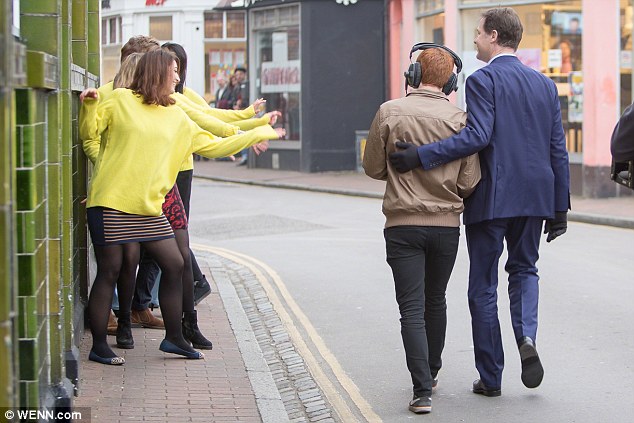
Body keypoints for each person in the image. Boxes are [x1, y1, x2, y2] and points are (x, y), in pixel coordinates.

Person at [388, 7, 570, 396]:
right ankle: (527, 337)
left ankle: (491, 378)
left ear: (492, 36)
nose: (473, 40)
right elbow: (558, 149)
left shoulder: (483, 79)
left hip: (493, 197)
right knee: (525, 271)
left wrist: (420, 156)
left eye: (477, 33)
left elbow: (477, 137)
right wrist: (560, 207)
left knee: (483, 286)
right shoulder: (544, 85)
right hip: (536, 197)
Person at [79, 49, 283, 365]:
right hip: (111, 203)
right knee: (110, 270)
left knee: (175, 262)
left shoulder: (176, 115)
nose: (178, 76)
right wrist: (90, 106)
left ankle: (174, 338)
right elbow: (89, 133)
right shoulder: (120, 100)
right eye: (173, 70)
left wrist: (257, 131)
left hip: (148, 207)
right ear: (157, 73)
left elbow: (213, 146)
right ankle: (99, 346)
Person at [363, 45, 481, 414]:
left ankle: (421, 392)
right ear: (451, 81)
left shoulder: (389, 112)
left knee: (411, 308)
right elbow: (468, 182)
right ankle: (431, 372)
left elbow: (373, 168)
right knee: (436, 300)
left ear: (412, 76)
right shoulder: (461, 119)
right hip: (446, 226)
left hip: (402, 224)